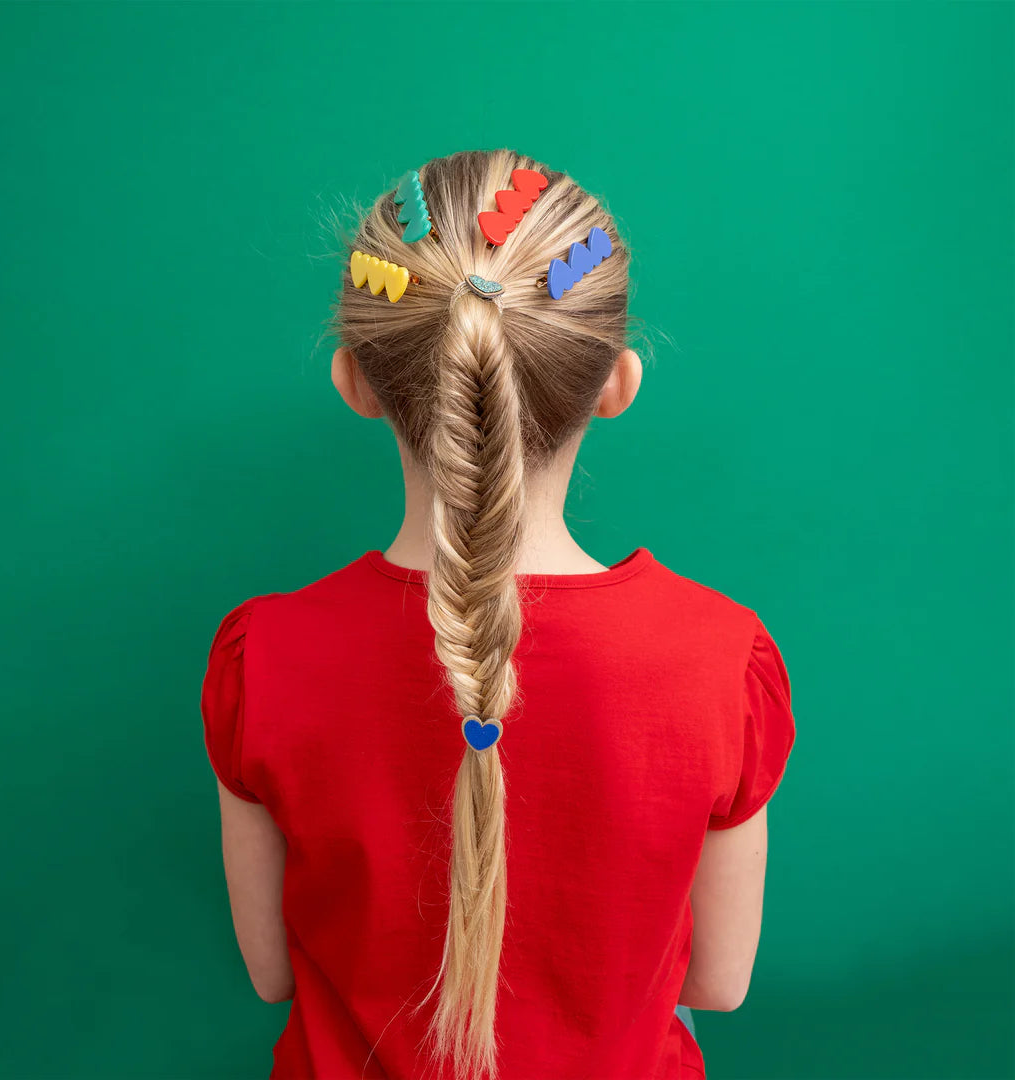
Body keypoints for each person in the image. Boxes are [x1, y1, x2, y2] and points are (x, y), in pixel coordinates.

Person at [200, 148, 796, 1080]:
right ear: (617, 384)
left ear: (355, 382)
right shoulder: (720, 660)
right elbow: (718, 983)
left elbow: (272, 973)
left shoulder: (265, 656)